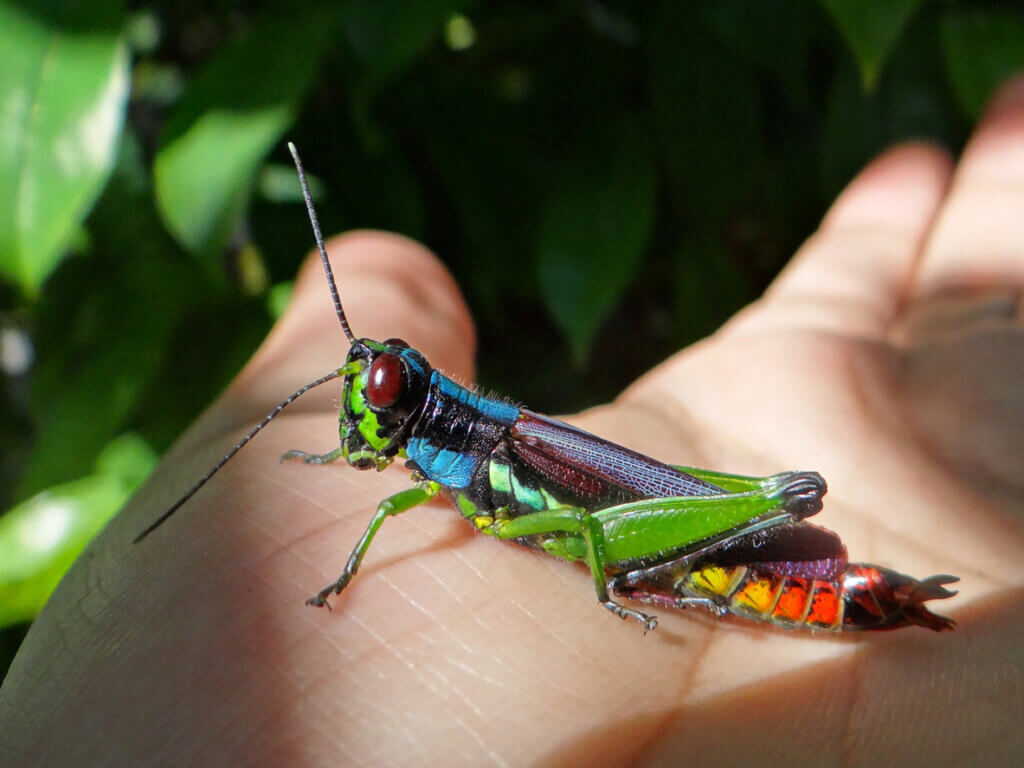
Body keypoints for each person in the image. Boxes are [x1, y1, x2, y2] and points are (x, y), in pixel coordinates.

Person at [2, 75, 1023, 767]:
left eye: (383, 391)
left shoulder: (485, 455)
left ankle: (843, 590)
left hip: (697, 548)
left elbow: (575, 521)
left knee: (624, 522)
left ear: (420, 400)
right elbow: (390, 484)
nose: (370, 402)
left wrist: (609, 577)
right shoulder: (428, 452)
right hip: (609, 517)